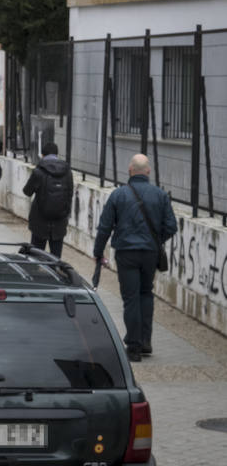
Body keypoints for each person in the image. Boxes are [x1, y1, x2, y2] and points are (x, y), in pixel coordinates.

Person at [93, 154, 177, 362]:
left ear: (130, 171)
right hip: (150, 253)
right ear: (148, 172)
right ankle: (146, 341)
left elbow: (105, 227)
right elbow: (171, 226)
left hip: (126, 252)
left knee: (131, 298)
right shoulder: (160, 195)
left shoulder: (118, 195)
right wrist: (156, 240)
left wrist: (98, 251)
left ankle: (133, 346)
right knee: (146, 294)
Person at [22, 142, 74, 257]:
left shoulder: (39, 171)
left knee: (36, 257)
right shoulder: (67, 172)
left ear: (43, 155)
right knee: (55, 259)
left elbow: (27, 191)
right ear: (57, 154)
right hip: (59, 222)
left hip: (39, 221)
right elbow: (70, 194)